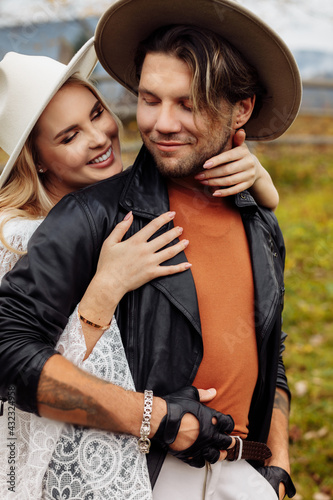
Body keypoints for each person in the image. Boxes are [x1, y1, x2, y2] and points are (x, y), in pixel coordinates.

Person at [0, 0, 302, 498]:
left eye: (187, 103)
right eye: (149, 98)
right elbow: (9, 350)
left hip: (246, 477)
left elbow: (270, 343)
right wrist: (160, 420)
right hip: (145, 477)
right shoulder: (88, 217)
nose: (161, 124)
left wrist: (277, 458)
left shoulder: (259, 216)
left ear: (241, 109)